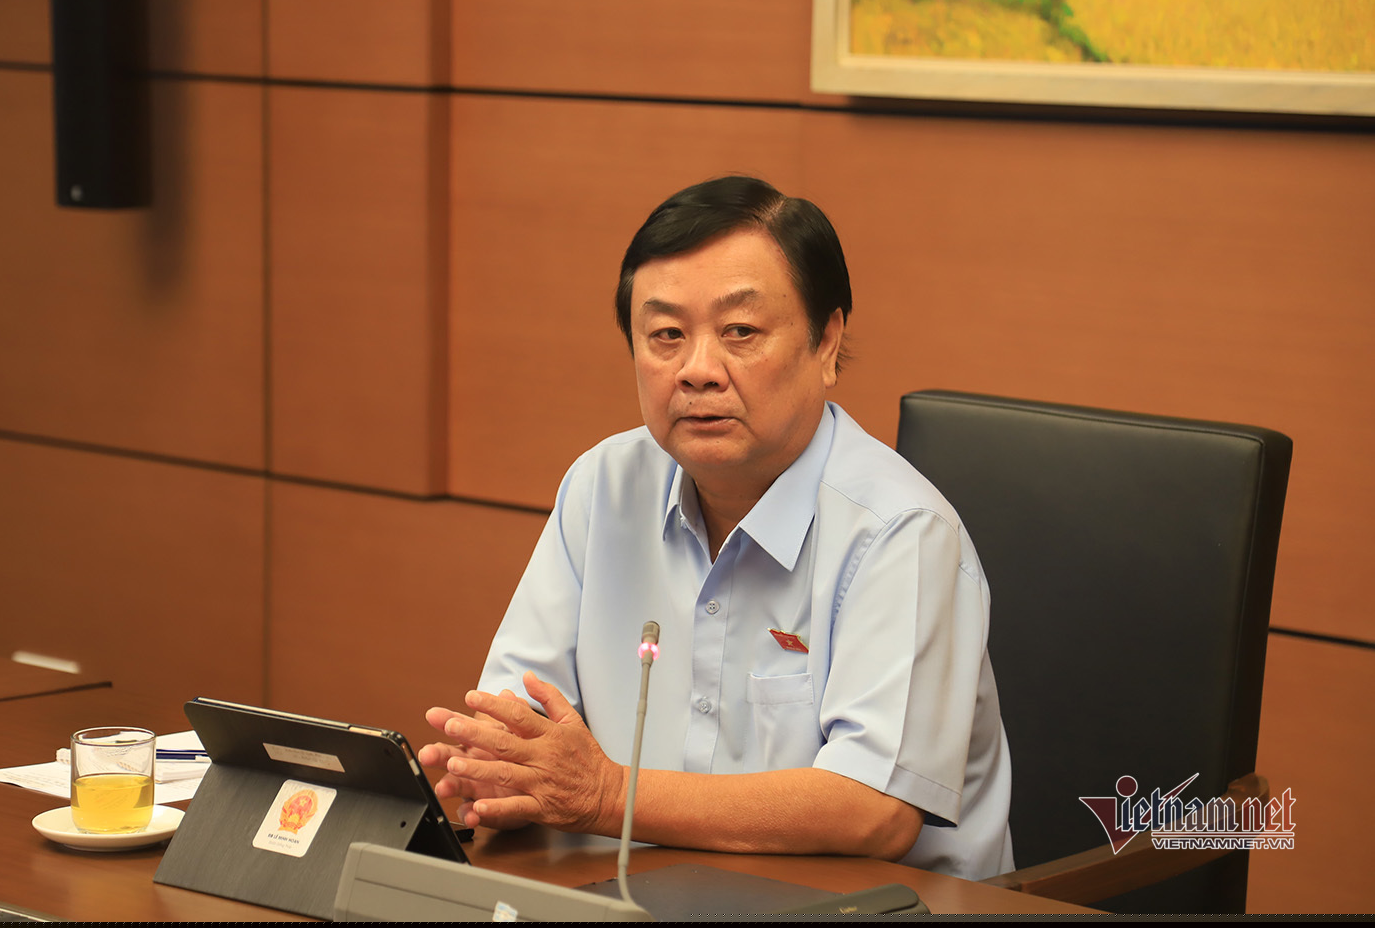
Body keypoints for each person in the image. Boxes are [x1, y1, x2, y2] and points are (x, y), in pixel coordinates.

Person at [418, 176, 1012, 878]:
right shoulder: (604, 487)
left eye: (740, 333)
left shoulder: (901, 531)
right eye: (666, 336)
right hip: (637, 894)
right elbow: (521, 720)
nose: (698, 371)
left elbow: (874, 810)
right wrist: (498, 771)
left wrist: (606, 796)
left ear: (826, 341)